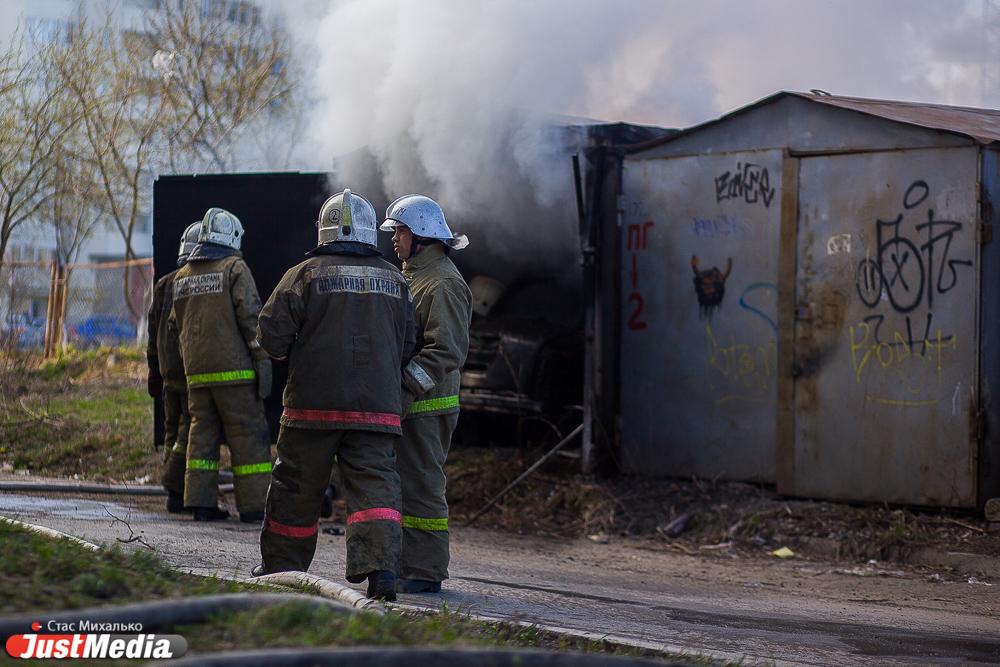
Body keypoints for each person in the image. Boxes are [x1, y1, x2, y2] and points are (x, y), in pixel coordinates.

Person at [254, 189, 415, 601]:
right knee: (376, 488)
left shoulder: (304, 274)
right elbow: (408, 343)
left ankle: (282, 568)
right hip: (378, 408)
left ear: (323, 230)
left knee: (297, 486)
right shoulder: (397, 279)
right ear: (368, 231)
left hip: (312, 406)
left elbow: (270, 335)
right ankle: (382, 573)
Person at [379, 194, 472, 594]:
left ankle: (427, 571)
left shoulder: (443, 282)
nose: (395, 239)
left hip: (427, 406)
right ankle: (408, 565)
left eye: (400, 231)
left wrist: (405, 388)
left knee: (423, 488)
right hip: (409, 406)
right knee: (404, 487)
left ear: (421, 236)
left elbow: (446, 350)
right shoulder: (413, 276)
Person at [168, 207, 272, 522]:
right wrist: (262, 359)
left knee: (201, 438)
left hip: (196, 377)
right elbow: (251, 317)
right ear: (232, 237)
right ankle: (254, 508)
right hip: (236, 375)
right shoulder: (234, 268)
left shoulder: (182, 276)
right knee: (248, 437)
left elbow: (175, 325)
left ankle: (200, 505)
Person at [147, 221, 201, 513]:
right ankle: (177, 486)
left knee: (172, 431)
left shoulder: (162, 283)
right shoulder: (191, 281)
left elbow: (152, 331)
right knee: (190, 431)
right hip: (190, 371)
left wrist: (153, 369)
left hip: (168, 373)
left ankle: (174, 496)